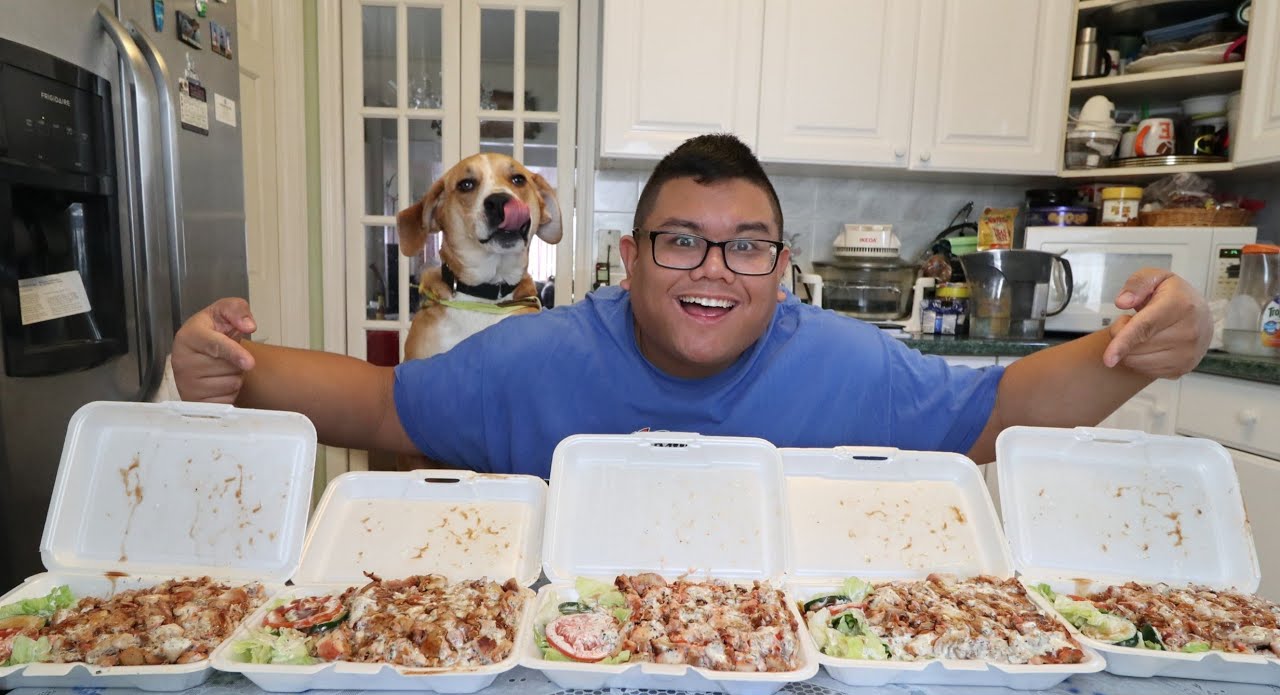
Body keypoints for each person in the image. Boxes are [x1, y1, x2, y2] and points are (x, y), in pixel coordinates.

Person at [172, 134, 1211, 478]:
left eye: (745, 245)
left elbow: (997, 413)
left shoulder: (847, 364)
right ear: (628, 257)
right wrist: (234, 365)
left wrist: (1136, 348)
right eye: (680, 241)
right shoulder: (540, 356)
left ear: (780, 262)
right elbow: (383, 407)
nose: (713, 270)